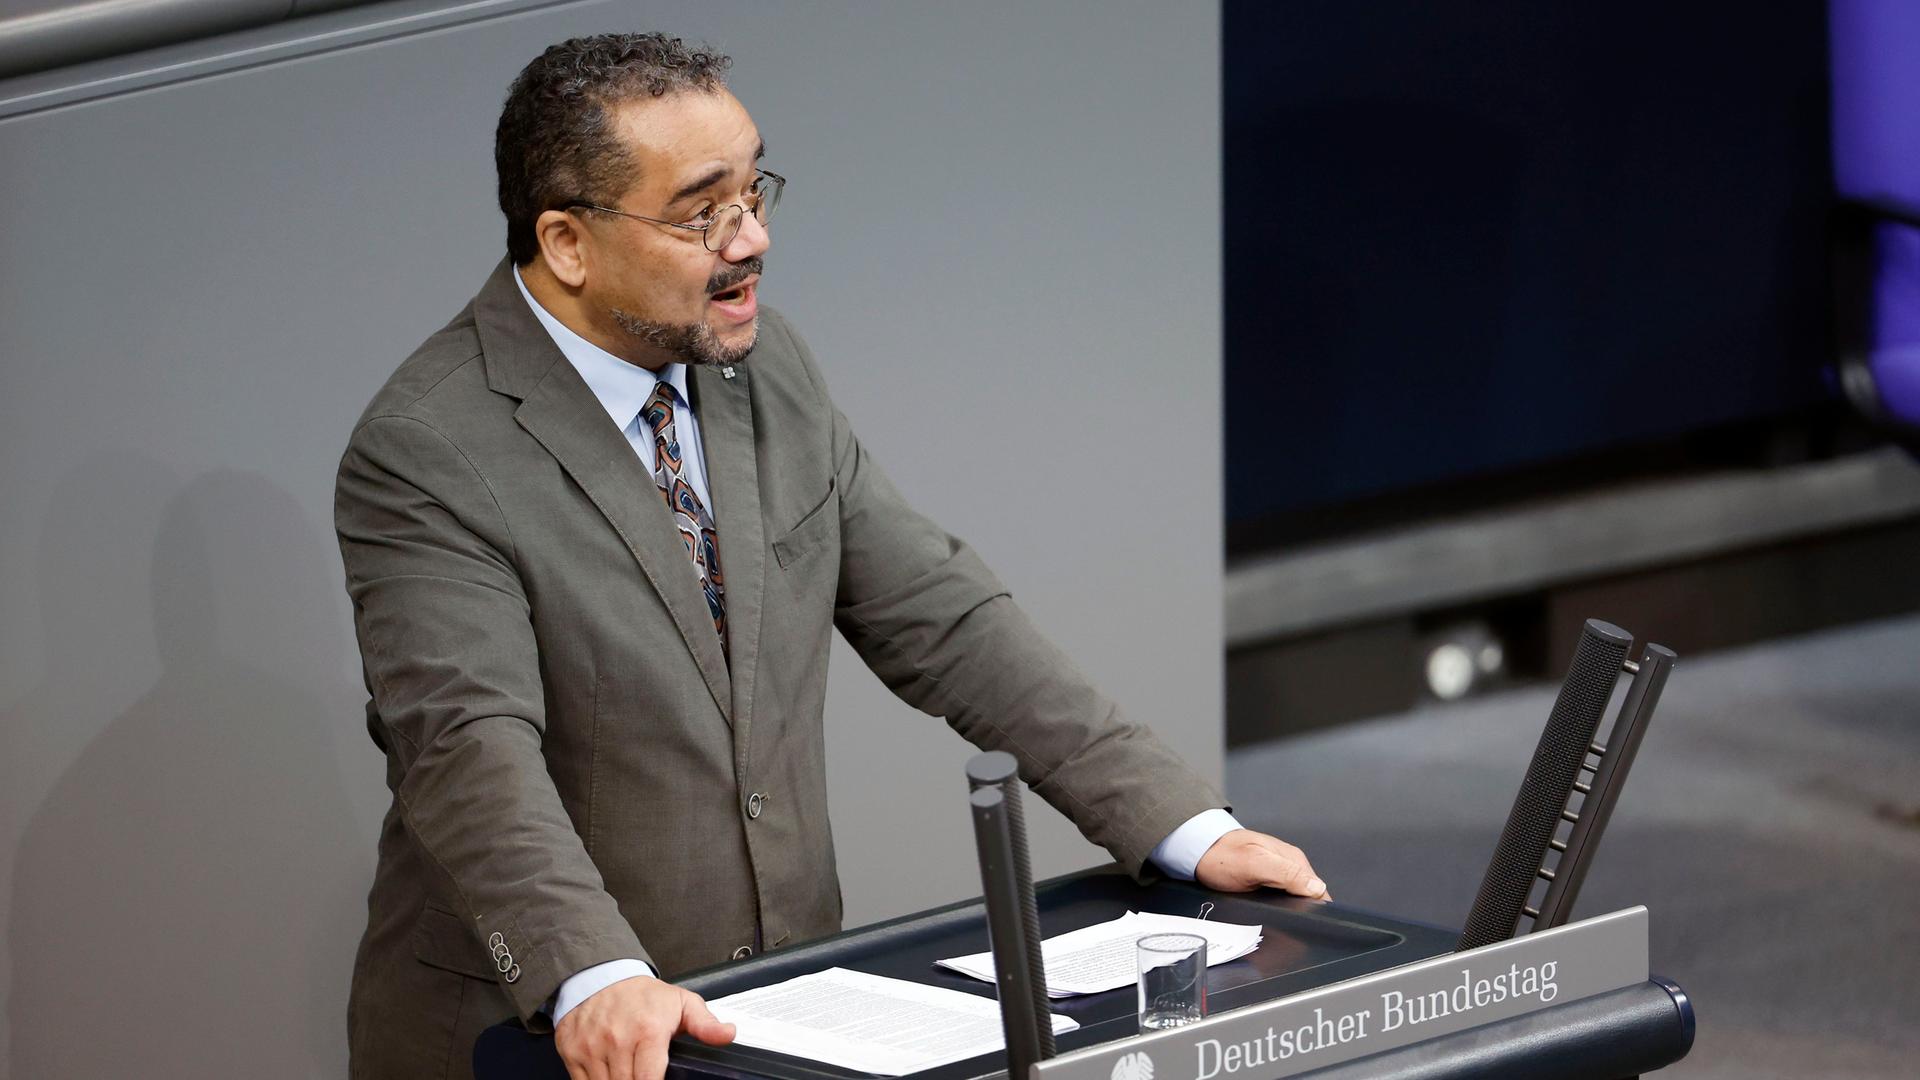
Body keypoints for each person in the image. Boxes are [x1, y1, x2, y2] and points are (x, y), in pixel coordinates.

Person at [335, 32, 1328, 1080]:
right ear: (568, 243)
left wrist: (1179, 824)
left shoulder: (762, 372)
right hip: (542, 1037)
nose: (751, 236)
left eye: (754, 188)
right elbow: (465, 746)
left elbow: (945, 618)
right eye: (702, 211)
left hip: (772, 1019)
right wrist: (593, 973)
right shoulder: (428, 450)